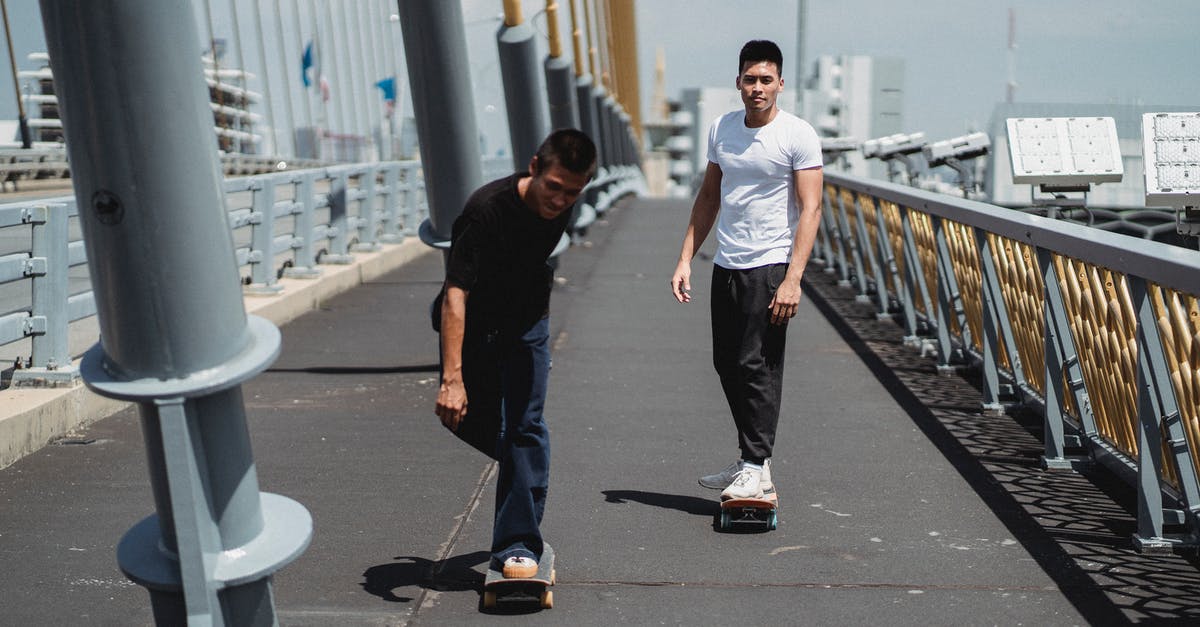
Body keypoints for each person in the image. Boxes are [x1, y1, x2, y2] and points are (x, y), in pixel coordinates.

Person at [435, 128, 596, 579]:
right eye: (554, 188)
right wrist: (452, 379)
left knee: (526, 426)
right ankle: (524, 472)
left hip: (527, 321)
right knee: (469, 419)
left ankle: (517, 544)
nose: (561, 201)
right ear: (533, 169)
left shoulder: (564, 199)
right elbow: (455, 294)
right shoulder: (484, 210)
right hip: (476, 324)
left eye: (573, 193)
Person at [670, 40, 824, 502]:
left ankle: (756, 465)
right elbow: (709, 196)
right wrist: (684, 258)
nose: (758, 88)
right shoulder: (722, 129)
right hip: (728, 262)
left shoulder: (797, 135)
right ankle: (750, 461)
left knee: (756, 364)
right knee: (726, 363)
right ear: (738, 83)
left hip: (771, 264)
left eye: (766, 80)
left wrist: (793, 278)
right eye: (750, 79)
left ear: (780, 84)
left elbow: (811, 207)